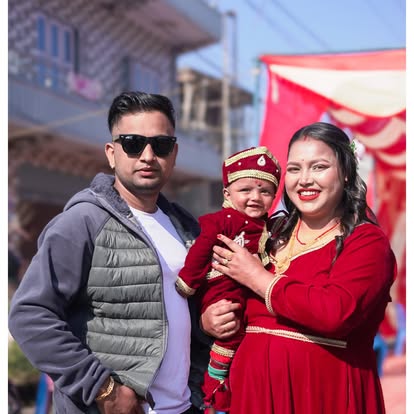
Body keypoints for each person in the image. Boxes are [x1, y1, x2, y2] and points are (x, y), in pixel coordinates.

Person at [8, 91, 228, 414]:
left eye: (161, 145)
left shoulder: (186, 228)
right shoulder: (82, 222)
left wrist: (206, 325)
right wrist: (103, 389)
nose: (148, 156)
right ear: (112, 153)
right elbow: (29, 315)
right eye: (133, 143)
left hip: (184, 406)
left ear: (174, 153)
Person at [205, 121, 397, 413]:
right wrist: (209, 319)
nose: (304, 180)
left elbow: (335, 312)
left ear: (346, 172)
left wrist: (259, 278)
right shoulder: (267, 233)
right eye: (295, 169)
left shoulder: (367, 241)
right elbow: (221, 289)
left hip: (326, 395)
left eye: (319, 167)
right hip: (253, 395)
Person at [175, 147, 281, 412]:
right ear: (227, 194)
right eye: (245, 190)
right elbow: (200, 252)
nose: (255, 197)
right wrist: (188, 281)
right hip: (224, 290)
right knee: (230, 334)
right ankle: (215, 385)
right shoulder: (220, 221)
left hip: (250, 298)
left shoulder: (273, 228)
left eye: (265, 191)